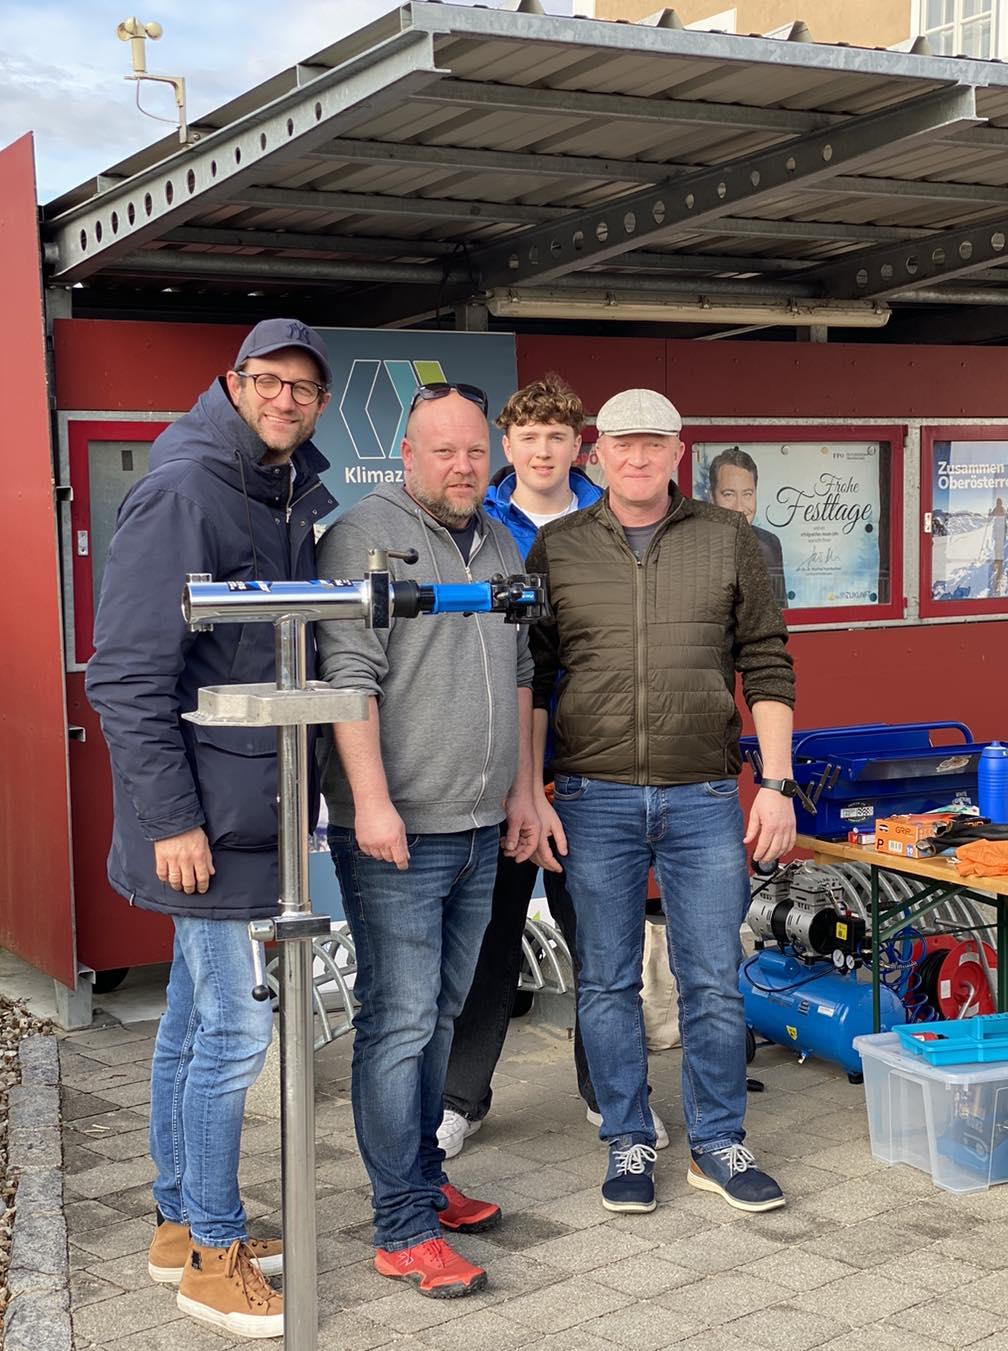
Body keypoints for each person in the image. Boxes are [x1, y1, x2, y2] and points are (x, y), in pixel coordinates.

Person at [85, 319, 338, 1339]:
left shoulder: (277, 492)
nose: (285, 400)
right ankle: (214, 1256)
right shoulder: (189, 489)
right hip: (204, 824)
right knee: (235, 1033)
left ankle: (178, 1222)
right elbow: (125, 675)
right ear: (233, 384)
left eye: (304, 389)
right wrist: (173, 821)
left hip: (245, 812)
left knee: (191, 1024)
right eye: (269, 381)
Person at [526, 388, 796, 1217]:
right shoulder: (558, 546)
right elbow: (534, 676)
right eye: (622, 443)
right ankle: (628, 1135)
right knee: (606, 981)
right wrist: (529, 791)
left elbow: (768, 659)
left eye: (654, 443)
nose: (637, 457)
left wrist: (776, 785)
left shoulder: (728, 539)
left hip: (703, 794)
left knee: (712, 979)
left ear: (680, 451)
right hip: (591, 796)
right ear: (596, 453)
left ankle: (717, 1142)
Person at [316, 382, 539, 1299]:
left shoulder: (498, 541)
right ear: (406, 456)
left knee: (440, 1015)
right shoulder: (362, 534)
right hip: (400, 834)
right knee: (399, 1022)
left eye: (475, 451)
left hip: (481, 824)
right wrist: (371, 805)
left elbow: (521, 669)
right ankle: (400, 1224)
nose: (462, 466)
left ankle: (422, 1176)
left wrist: (522, 789)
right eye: (443, 451)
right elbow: (348, 677)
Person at [438, 375, 669, 1158]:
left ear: (581, 447)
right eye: (529, 437)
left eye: (558, 437)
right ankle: (459, 1099)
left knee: (602, 939)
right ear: (508, 445)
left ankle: (613, 1094)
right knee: (487, 936)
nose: (542, 450)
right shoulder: (476, 521)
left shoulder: (616, 519)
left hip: (594, 758)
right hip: (499, 753)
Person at [708, 446, 787, 605]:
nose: (739, 507)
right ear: (712, 497)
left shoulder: (770, 545)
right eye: (729, 494)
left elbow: (780, 609)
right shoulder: (693, 549)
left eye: (747, 494)